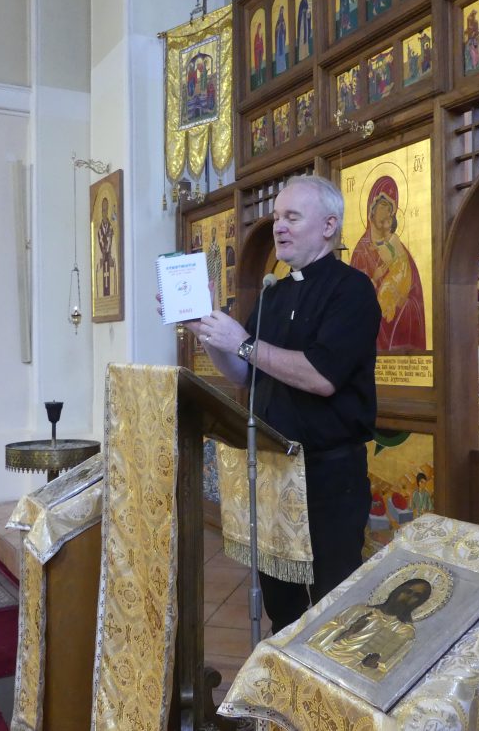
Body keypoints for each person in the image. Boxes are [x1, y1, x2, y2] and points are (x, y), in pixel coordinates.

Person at [183, 175, 380, 634]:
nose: (279, 227)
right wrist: (207, 332)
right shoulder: (274, 293)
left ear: (328, 225)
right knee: (282, 607)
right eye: (276, 218)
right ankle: (280, 678)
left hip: (327, 477)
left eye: (292, 217)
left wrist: (244, 343)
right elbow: (244, 375)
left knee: (333, 608)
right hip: (273, 473)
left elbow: (322, 378)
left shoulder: (352, 290)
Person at [349, 175, 426, 351]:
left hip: (396, 330)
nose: (387, 212)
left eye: (390, 209)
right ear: (371, 210)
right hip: (369, 335)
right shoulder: (361, 252)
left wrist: (401, 301)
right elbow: (352, 299)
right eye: (383, 206)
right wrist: (375, 279)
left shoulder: (399, 249)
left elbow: (415, 300)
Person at [307, 578, 432, 678]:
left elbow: (386, 668)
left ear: (419, 602)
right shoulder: (359, 610)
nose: (408, 598)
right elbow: (319, 636)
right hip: (320, 659)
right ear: (397, 591)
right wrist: (350, 630)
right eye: (408, 591)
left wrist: (371, 664)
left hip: (350, 674)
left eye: (417, 596)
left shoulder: (404, 631)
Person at [96, 197, 115, 296]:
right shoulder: (98, 231)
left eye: (106, 210)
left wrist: (111, 257)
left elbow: (114, 248)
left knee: (110, 283)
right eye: (103, 210)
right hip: (102, 262)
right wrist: (101, 258)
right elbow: (97, 253)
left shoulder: (111, 229)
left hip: (109, 261)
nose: (105, 213)